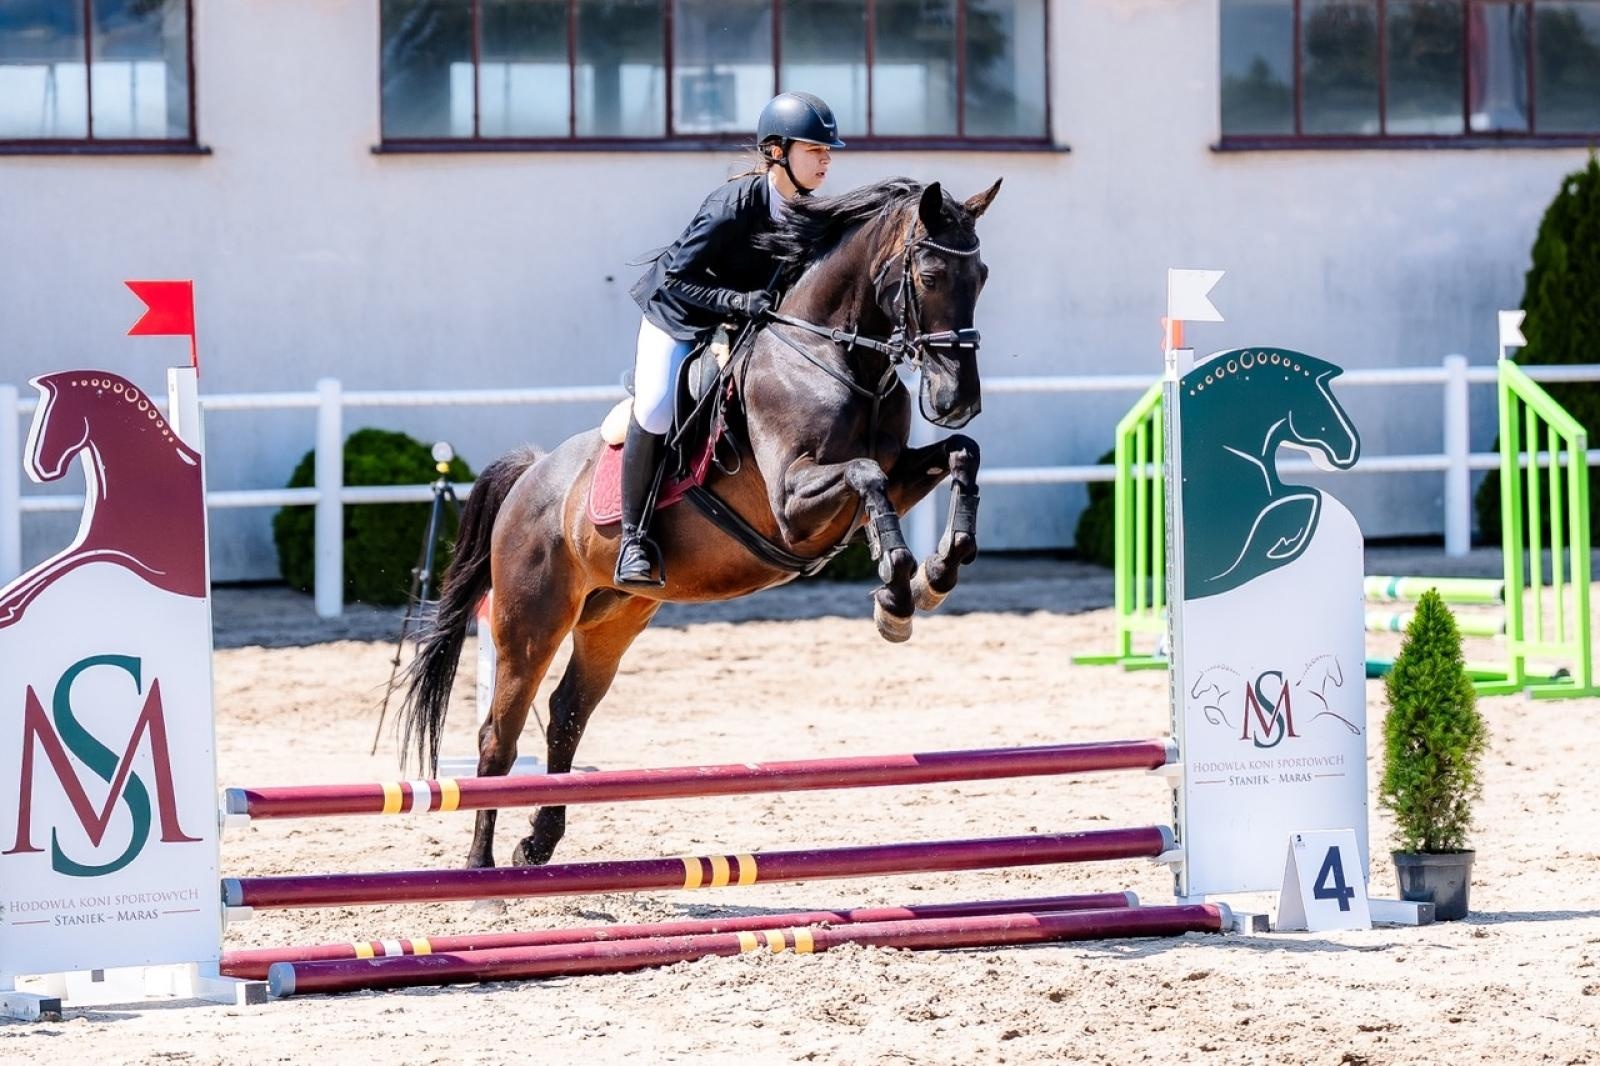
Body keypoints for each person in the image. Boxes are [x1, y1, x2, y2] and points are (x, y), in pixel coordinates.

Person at [617, 91, 845, 585]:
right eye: (814, 149)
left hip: (739, 323)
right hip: (676, 315)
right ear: (776, 152)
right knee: (655, 407)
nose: (826, 159)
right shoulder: (732, 205)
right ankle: (634, 539)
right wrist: (738, 302)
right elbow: (676, 279)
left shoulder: (809, 215)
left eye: (828, 151)